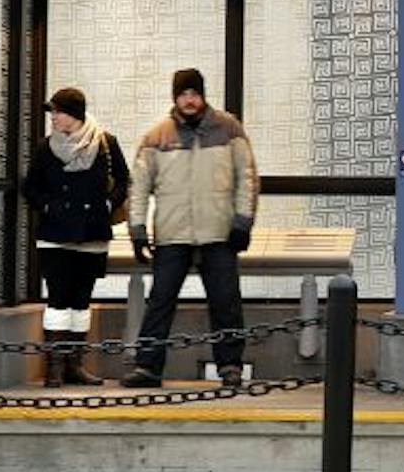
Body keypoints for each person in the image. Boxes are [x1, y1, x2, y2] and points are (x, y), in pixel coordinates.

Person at [120, 67, 258, 388]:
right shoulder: (157, 137)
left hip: (219, 232)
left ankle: (229, 366)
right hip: (172, 234)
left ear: (203, 95)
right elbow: (138, 187)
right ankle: (148, 367)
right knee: (160, 302)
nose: (190, 100)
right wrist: (137, 229)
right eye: (183, 94)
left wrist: (242, 221)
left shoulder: (229, 129)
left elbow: (247, 178)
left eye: (194, 93)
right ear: (175, 97)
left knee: (225, 301)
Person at [20, 86, 131, 388]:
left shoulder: (106, 144)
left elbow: (123, 180)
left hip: (91, 233)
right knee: (58, 298)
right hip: (55, 234)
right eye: (52, 112)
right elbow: (30, 186)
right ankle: (55, 366)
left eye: (58, 112)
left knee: (81, 299)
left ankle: (74, 364)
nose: (53, 118)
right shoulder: (46, 147)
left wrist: (107, 205)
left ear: (74, 115)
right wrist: (47, 205)